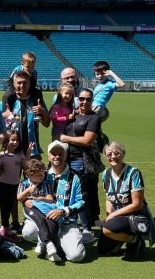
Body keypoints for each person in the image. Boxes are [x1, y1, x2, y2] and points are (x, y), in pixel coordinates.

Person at [21, 141, 86, 263]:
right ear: (48, 156)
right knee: (27, 232)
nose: (57, 156)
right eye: (53, 153)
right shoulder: (41, 174)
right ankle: (48, 241)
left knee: (77, 256)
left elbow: (82, 202)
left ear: (65, 155)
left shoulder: (76, 177)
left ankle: (53, 243)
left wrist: (62, 211)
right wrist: (25, 201)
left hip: (66, 222)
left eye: (61, 153)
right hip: (43, 218)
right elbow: (26, 189)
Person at [97, 141, 155, 260]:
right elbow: (108, 197)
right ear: (105, 156)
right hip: (118, 216)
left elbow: (137, 204)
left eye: (117, 153)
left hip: (135, 215)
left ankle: (135, 240)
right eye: (109, 154)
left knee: (107, 229)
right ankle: (124, 237)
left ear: (123, 154)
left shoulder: (134, 173)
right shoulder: (106, 174)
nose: (113, 157)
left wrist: (112, 216)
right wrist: (109, 215)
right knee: (103, 250)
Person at [59, 88, 101, 242]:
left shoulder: (93, 118)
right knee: (70, 193)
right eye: (81, 98)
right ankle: (75, 225)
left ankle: (87, 229)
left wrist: (65, 138)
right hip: (68, 160)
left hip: (81, 161)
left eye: (88, 99)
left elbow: (87, 140)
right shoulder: (74, 115)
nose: (84, 102)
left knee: (79, 194)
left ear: (92, 101)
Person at [17, 158, 60, 262]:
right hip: (31, 212)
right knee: (29, 231)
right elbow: (19, 197)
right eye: (38, 174)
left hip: (44, 210)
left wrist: (41, 198)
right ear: (29, 175)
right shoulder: (24, 183)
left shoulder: (46, 183)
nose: (42, 176)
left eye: (42, 174)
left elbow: (50, 199)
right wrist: (29, 191)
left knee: (44, 220)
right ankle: (47, 242)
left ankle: (44, 243)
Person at [1, 70, 50, 159]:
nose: (22, 86)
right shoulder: (9, 101)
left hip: (33, 151)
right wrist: (4, 115)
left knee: (35, 173)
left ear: (30, 83)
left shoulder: (36, 100)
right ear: (14, 83)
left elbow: (47, 124)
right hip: (13, 150)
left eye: (25, 83)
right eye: (19, 83)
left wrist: (43, 112)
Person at [0, 131, 26, 242]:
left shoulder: (20, 154)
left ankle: (5, 230)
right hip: (2, 186)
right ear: (6, 141)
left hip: (14, 186)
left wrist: (29, 153)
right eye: (12, 140)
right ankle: (4, 230)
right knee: (5, 209)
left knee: (9, 207)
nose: (15, 142)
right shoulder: (1, 156)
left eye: (17, 140)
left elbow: (26, 166)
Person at [2, 51, 43, 118]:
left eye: (32, 67)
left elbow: (34, 83)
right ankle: (6, 112)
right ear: (22, 64)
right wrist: (14, 90)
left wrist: (29, 91)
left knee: (38, 93)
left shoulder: (34, 72)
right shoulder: (17, 69)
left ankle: (38, 114)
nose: (30, 69)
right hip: (15, 88)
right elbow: (9, 81)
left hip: (28, 88)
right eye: (28, 67)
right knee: (7, 94)